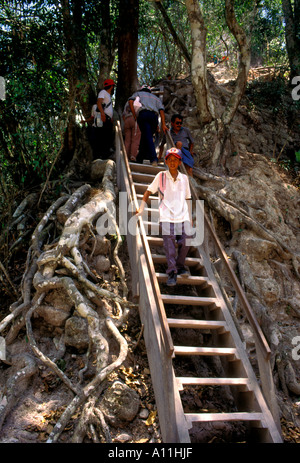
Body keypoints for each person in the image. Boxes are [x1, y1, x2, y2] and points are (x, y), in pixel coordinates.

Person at [136, 147, 192, 286]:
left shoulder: (184, 179)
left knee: (186, 240)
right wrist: (141, 208)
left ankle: (180, 266)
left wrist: (189, 218)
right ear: (166, 161)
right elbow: (148, 192)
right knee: (169, 242)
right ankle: (172, 272)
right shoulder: (161, 176)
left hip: (183, 215)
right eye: (169, 159)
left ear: (180, 162)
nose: (172, 162)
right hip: (166, 215)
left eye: (175, 160)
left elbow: (188, 198)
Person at [128, 85, 168, 166]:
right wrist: (163, 124)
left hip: (143, 115)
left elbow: (130, 101)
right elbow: (161, 111)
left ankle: (154, 159)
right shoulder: (155, 98)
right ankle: (140, 158)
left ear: (142, 89)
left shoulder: (138, 93)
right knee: (146, 135)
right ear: (150, 91)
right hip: (154, 117)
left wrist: (135, 115)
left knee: (148, 136)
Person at [96, 78, 115, 159]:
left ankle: (105, 154)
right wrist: (103, 114)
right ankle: (101, 155)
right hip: (102, 117)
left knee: (106, 135)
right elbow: (99, 102)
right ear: (111, 86)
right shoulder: (103, 92)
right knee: (102, 135)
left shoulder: (108, 95)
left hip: (107, 118)